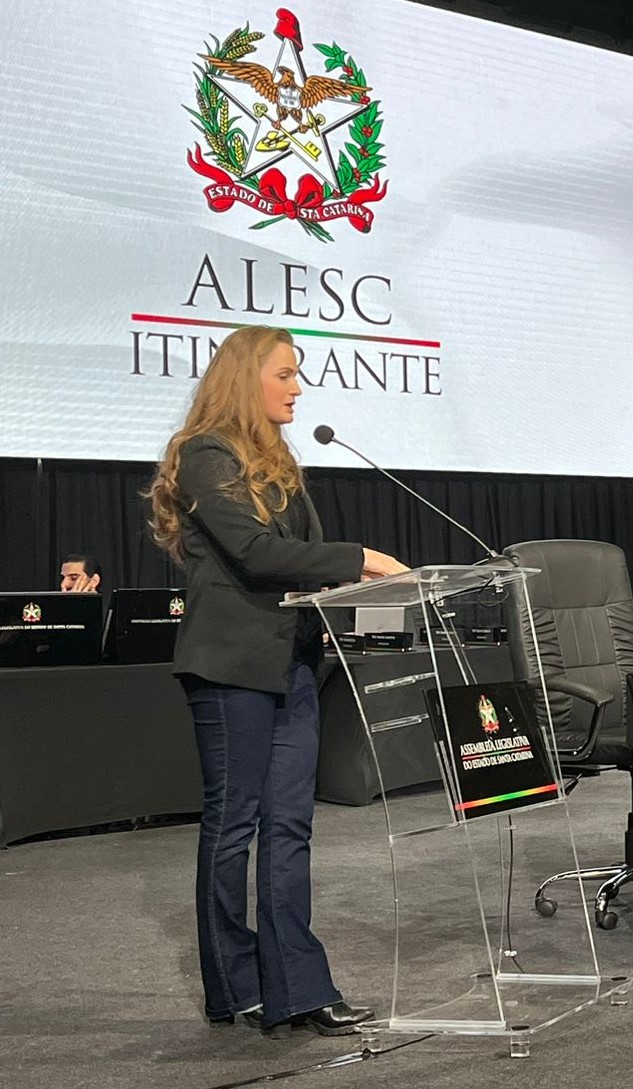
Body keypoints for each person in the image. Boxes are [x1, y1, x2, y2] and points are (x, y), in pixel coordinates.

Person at [145, 325, 408, 1036]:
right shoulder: (205, 454)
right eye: (287, 373)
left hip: (292, 665)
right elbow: (259, 555)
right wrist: (367, 559)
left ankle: (298, 987)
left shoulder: (281, 460)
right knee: (234, 828)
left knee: (289, 826)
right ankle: (234, 986)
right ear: (245, 378)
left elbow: (296, 562)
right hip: (231, 668)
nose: (298, 386)